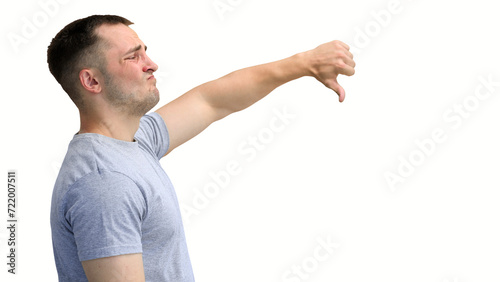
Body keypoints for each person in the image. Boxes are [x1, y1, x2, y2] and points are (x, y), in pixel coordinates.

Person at [48, 14, 355, 282]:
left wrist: (305, 63)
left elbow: (212, 100)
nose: (152, 65)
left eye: (146, 53)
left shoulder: (134, 141)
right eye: (133, 57)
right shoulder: (105, 183)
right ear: (91, 80)